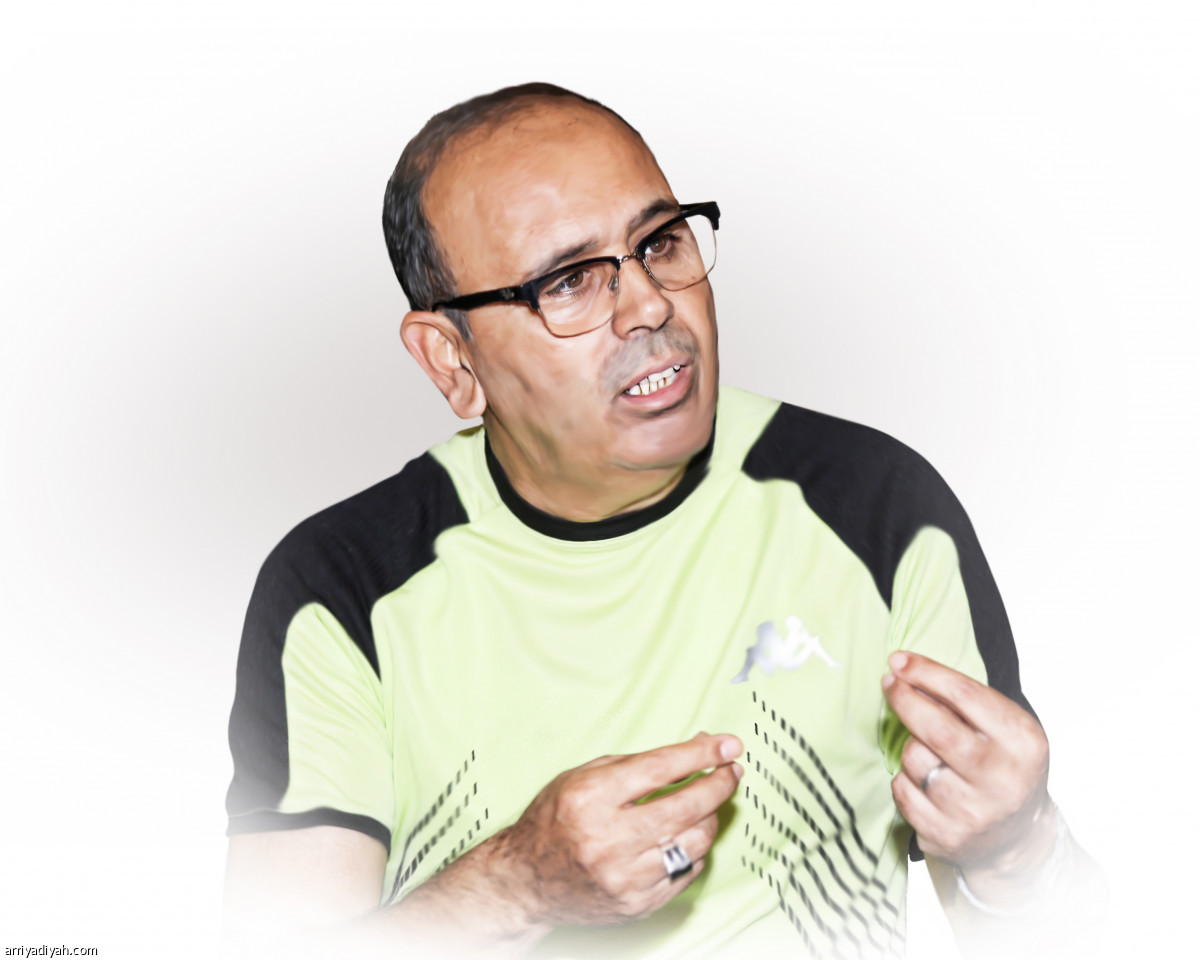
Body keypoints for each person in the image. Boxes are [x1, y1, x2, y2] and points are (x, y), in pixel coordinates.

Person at [223, 83, 1101, 959]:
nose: (649, 305)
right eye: (569, 282)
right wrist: (518, 883)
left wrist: (1019, 851)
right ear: (452, 360)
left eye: (660, 243)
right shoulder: (342, 587)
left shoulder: (875, 509)